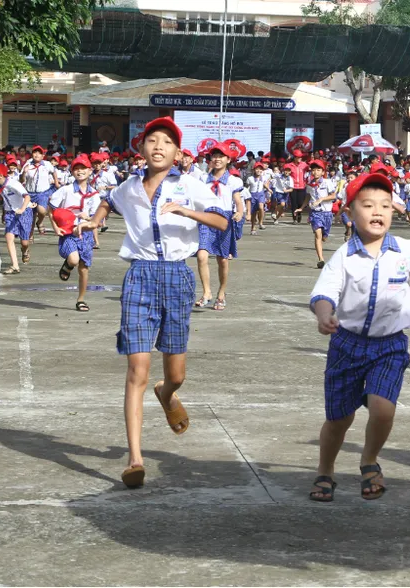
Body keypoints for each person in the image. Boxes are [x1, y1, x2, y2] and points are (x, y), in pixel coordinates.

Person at [74, 116, 229, 489]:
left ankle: (167, 392)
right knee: (136, 372)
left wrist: (186, 211)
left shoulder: (190, 184)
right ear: (141, 148)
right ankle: (135, 459)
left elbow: (222, 223)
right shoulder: (128, 187)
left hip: (177, 277)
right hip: (139, 278)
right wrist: (94, 222)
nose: (158, 146)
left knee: (176, 374)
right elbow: (107, 202)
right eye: (152, 140)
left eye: (167, 142)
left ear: (177, 153)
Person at [307, 172, 410, 502]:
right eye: (367, 205)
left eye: (384, 204)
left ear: (394, 210)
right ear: (349, 214)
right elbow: (324, 293)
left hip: (390, 345)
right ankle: (325, 470)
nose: (377, 211)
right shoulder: (344, 256)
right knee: (339, 418)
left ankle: (369, 460)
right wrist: (324, 316)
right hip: (346, 344)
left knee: (383, 409)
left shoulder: (406, 249)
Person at [196, 143, 245, 311]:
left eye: (221, 156)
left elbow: (238, 201)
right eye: (214, 156)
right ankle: (206, 292)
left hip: (224, 220)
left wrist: (239, 212)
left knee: (222, 260)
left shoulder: (233, 180)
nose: (217, 159)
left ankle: (221, 293)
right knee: (202, 255)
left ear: (228, 159)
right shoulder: (203, 178)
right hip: (206, 218)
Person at [49, 154, 100, 311]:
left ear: (90, 171)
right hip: (68, 232)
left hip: (86, 234)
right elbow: (52, 209)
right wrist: (55, 227)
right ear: (72, 172)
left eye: (83, 168)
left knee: (84, 269)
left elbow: (97, 219)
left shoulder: (95, 194)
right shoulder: (66, 190)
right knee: (73, 259)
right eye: (76, 169)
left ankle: (81, 299)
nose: (80, 171)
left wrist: (88, 218)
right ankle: (67, 266)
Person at [0, 162, 36, 274]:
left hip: (24, 211)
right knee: (9, 237)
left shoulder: (13, 184)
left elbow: (27, 196)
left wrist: (23, 209)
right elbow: (6, 201)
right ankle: (15, 266)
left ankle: (25, 250)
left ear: (0, 175)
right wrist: (4, 213)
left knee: (24, 242)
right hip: (11, 214)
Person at [295, 159, 337, 268]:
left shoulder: (327, 182)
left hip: (327, 213)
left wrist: (322, 199)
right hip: (315, 213)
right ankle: (321, 259)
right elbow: (308, 196)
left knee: (324, 237)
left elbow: (333, 196)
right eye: (313, 170)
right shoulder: (310, 184)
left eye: (318, 170)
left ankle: (324, 237)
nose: (316, 172)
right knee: (318, 234)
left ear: (323, 172)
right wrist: (301, 208)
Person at [23, 145, 61, 238]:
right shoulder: (28, 164)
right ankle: (30, 236)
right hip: (30, 193)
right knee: (31, 215)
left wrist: (56, 182)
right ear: (32, 154)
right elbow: (21, 179)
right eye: (35, 152)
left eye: (39, 153)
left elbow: (54, 172)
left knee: (42, 210)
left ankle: (39, 222)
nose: (37, 155)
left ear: (43, 156)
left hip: (42, 192)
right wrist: (24, 172)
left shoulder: (47, 164)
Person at [246, 163, 268, 235]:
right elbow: (246, 187)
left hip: (260, 194)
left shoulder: (263, 178)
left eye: (260, 169)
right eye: (257, 169)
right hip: (252, 194)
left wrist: (268, 190)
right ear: (254, 170)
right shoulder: (250, 178)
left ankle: (261, 222)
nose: (259, 171)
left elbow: (265, 184)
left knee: (261, 207)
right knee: (254, 212)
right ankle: (253, 227)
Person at [289, 149, 309, 223]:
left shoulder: (304, 165)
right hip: (293, 187)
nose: (299, 158)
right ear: (294, 157)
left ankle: (299, 213)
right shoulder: (290, 165)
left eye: (300, 157)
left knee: (300, 202)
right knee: (294, 203)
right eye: (298, 157)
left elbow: (310, 169)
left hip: (302, 186)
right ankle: (294, 218)